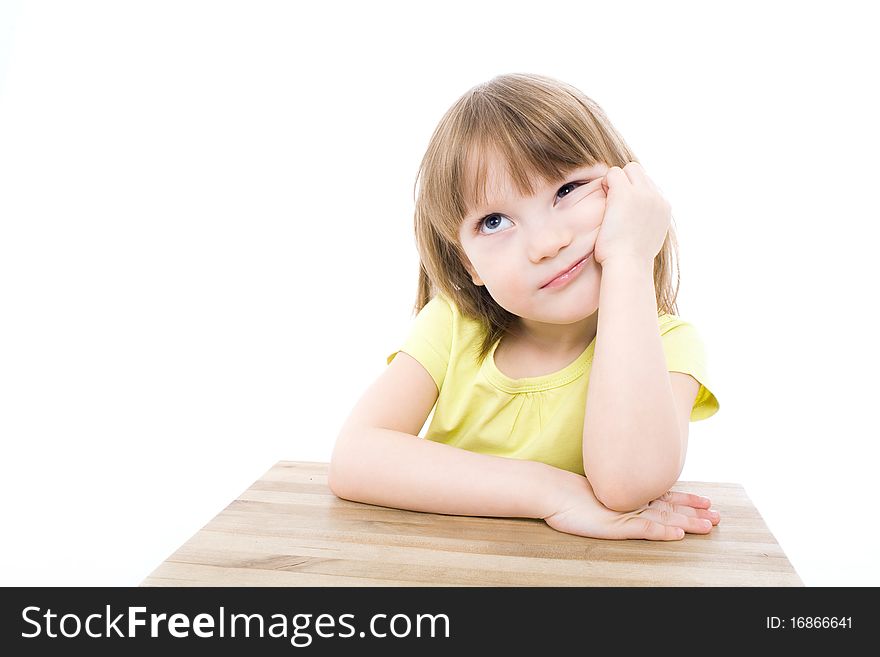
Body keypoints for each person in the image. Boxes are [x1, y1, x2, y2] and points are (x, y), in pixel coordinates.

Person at [329, 73, 721, 541]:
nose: (547, 243)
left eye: (568, 189)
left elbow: (628, 485)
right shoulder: (454, 326)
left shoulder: (668, 344)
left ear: (631, 190)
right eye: (494, 221)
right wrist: (552, 493)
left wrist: (629, 259)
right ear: (467, 263)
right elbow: (354, 458)